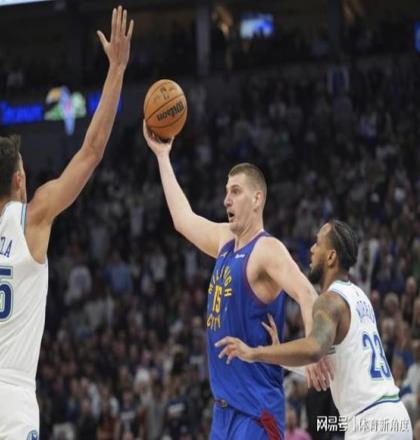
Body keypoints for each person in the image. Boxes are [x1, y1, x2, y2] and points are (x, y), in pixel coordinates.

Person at [0, 9, 133, 439]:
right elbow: (91, 150)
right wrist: (116, 69)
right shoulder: (34, 217)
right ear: (20, 178)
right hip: (11, 397)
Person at [142, 124, 331, 439]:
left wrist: (315, 346)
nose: (226, 200)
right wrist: (162, 156)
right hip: (223, 413)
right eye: (226, 192)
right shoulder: (225, 240)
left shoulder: (266, 249)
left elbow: (306, 292)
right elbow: (183, 219)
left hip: (257, 412)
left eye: (235, 191)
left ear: (257, 199)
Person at [216, 220, 413, 439]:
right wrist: (279, 355)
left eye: (318, 243)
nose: (311, 249)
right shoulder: (359, 297)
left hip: (370, 421)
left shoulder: (329, 300)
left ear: (331, 257)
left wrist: (255, 353)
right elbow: (328, 367)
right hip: (393, 417)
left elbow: (313, 349)